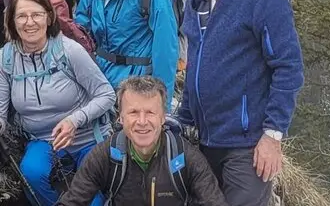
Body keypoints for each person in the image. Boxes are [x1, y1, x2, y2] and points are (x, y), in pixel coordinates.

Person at [178, 0, 303, 206]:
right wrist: (184, 119)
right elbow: (195, 62)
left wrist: (272, 136)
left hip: (247, 146)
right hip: (204, 140)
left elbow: (288, 68)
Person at [0, 0, 115, 206]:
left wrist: (75, 120)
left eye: (36, 14)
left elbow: (106, 94)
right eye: (21, 16)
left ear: (49, 17)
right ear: (12, 22)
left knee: (93, 198)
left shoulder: (69, 51)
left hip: (87, 137)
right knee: (32, 173)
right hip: (42, 139)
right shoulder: (4, 60)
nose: (29, 22)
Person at [57, 76, 229, 206]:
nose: (141, 121)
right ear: (120, 118)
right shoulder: (105, 155)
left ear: (163, 118)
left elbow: (214, 201)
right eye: (133, 112)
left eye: (150, 113)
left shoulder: (186, 157)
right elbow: (72, 201)